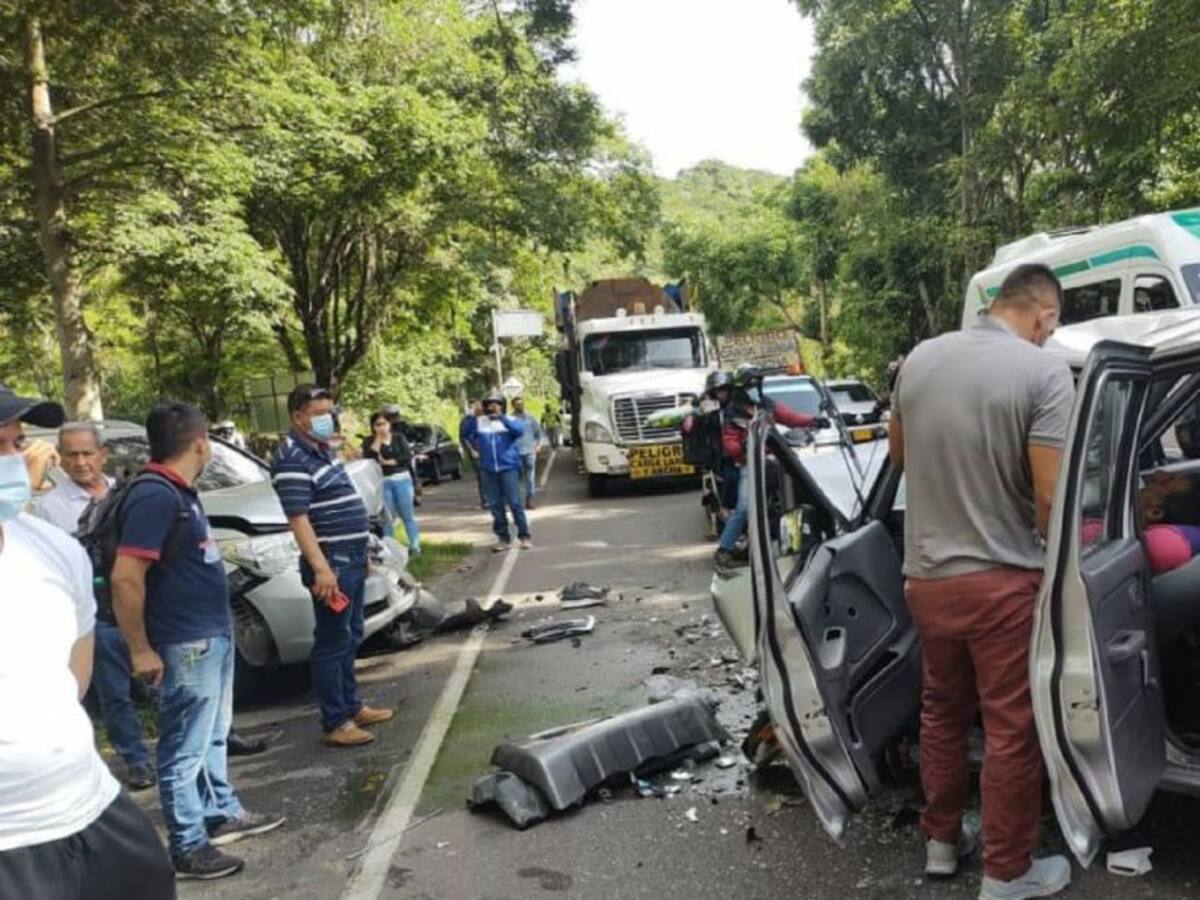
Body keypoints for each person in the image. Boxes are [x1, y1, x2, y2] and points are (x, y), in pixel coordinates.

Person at [889, 263, 1074, 900]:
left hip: (926, 580)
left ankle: (942, 842)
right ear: (1043, 315)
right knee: (1010, 727)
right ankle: (1007, 871)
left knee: (941, 710)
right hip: (1001, 582)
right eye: (1051, 328)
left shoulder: (919, 359)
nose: (1049, 338)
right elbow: (1050, 499)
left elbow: (898, 458)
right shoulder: (1043, 371)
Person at [0, 384, 176, 899]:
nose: (16, 461)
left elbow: (72, 679)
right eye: (0, 447)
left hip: (94, 809)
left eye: (16, 444)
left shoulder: (53, 551)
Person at [111, 402, 284, 880]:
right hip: (185, 643)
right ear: (200, 443)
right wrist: (140, 649)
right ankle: (187, 845)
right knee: (183, 748)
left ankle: (220, 812)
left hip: (208, 635)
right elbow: (127, 577)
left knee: (210, 735)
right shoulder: (154, 496)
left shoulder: (176, 491)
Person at [32, 423, 156, 791]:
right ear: (60, 458)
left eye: (88, 453)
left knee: (166, 684)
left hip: (142, 605)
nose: (81, 462)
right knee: (114, 693)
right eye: (71, 454)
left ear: (103, 454)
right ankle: (136, 760)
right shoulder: (48, 507)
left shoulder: (127, 492)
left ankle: (182, 753)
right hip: (95, 613)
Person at [272, 385, 395, 748]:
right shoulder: (292, 458)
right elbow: (299, 519)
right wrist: (322, 568)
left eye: (330, 410)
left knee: (350, 634)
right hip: (332, 564)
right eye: (319, 412)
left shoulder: (324, 451)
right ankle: (336, 721)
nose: (328, 418)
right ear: (298, 417)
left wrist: (364, 550)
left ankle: (351, 705)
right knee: (331, 641)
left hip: (352, 557)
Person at [715, 364, 826, 569]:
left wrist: (814, 421)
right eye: (751, 384)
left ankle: (807, 540)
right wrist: (742, 445)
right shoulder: (734, 412)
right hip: (750, 466)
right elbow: (729, 443)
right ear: (742, 387)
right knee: (744, 508)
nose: (755, 387)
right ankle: (725, 549)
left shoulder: (766, 405)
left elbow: (791, 417)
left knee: (805, 493)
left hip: (776, 463)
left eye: (758, 383)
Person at [471, 391, 532, 551]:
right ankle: (503, 538)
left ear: (502, 405)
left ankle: (524, 536)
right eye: (488, 404)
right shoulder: (480, 422)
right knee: (496, 506)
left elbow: (519, 431)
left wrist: (502, 418)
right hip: (488, 470)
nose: (492, 407)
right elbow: (466, 433)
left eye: (496, 404)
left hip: (508, 468)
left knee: (515, 503)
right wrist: (473, 416)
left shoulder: (510, 420)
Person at [362, 411, 420, 555]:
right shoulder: (369, 441)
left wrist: (389, 461)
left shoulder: (399, 438)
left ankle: (415, 545)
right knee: (387, 518)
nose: (381, 427)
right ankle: (390, 549)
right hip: (383, 481)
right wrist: (378, 439)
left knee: (407, 514)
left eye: (384, 424)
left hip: (401, 479)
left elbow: (406, 456)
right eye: (377, 424)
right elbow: (370, 457)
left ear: (390, 424)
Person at [510, 396, 542, 508]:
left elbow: (538, 433)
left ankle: (530, 499)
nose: (520, 406)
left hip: (530, 452)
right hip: (516, 453)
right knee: (518, 478)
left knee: (530, 477)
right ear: (513, 406)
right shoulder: (510, 419)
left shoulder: (530, 417)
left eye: (521, 404)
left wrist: (538, 446)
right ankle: (519, 500)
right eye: (517, 404)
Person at [459, 400, 487, 509]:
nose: (479, 409)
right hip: (476, 452)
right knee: (482, 476)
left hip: (489, 452)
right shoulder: (469, 421)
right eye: (477, 407)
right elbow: (465, 437)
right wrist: (471, 450)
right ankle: (485, 500)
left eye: (480, 406)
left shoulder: (488, 419)